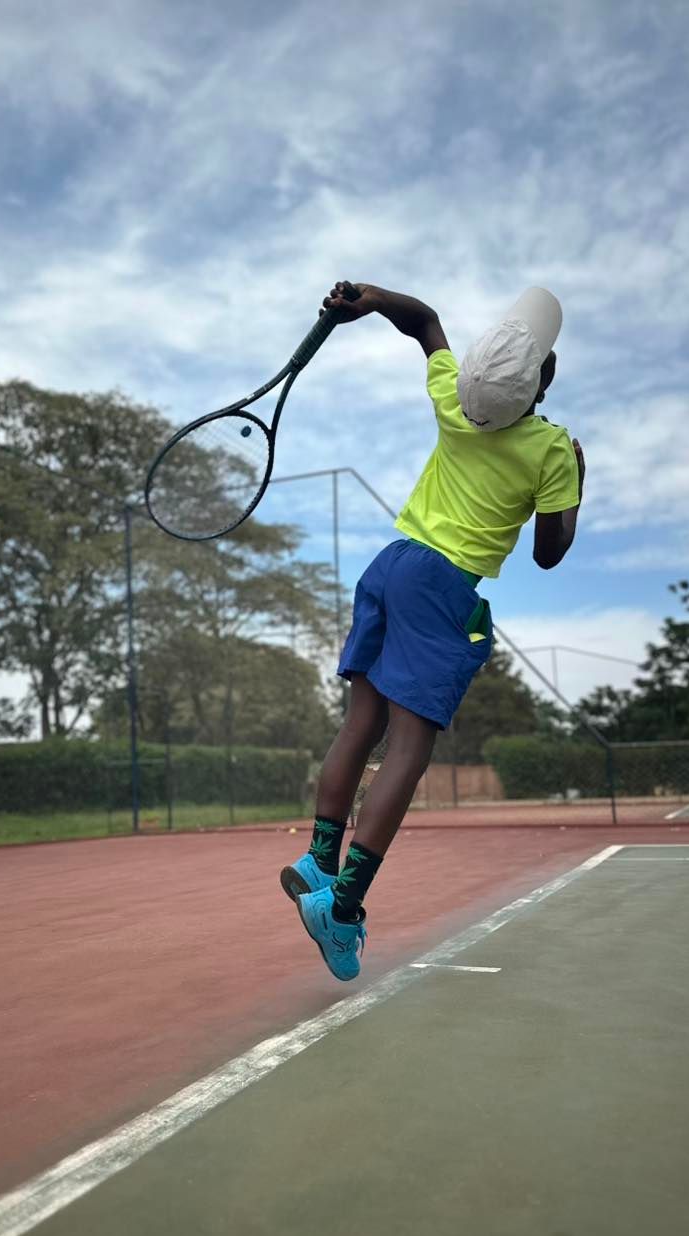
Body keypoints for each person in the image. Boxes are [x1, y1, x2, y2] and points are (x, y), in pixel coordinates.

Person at [281, 281, 584, 981]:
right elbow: (548, 551)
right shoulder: (551, 450)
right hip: (444, 586)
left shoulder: (453, 401)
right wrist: (578, 486)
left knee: (361, 722)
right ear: (544, 383)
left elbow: (425, 322)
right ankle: (343, 906)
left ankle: (318, 860)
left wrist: (365, 298)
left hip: (389, 564)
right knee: (409, 750)